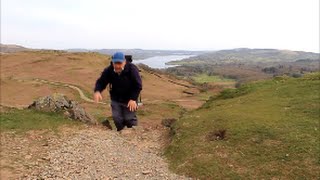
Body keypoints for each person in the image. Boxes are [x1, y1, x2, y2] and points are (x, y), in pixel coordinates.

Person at [93, 52, 142, 131]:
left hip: (130, 99)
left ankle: (133, 134)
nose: (117, 66)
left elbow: (138, 85)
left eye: (119, 63)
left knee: (129, 119)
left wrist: (133, 99)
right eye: (115, 63)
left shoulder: (132, 69)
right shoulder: (109, 70)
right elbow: (101, 81)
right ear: (112, 62)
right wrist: (97, 90)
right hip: (116, 98)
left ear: (124, 62)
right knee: (117, 119)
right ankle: (121, 133)